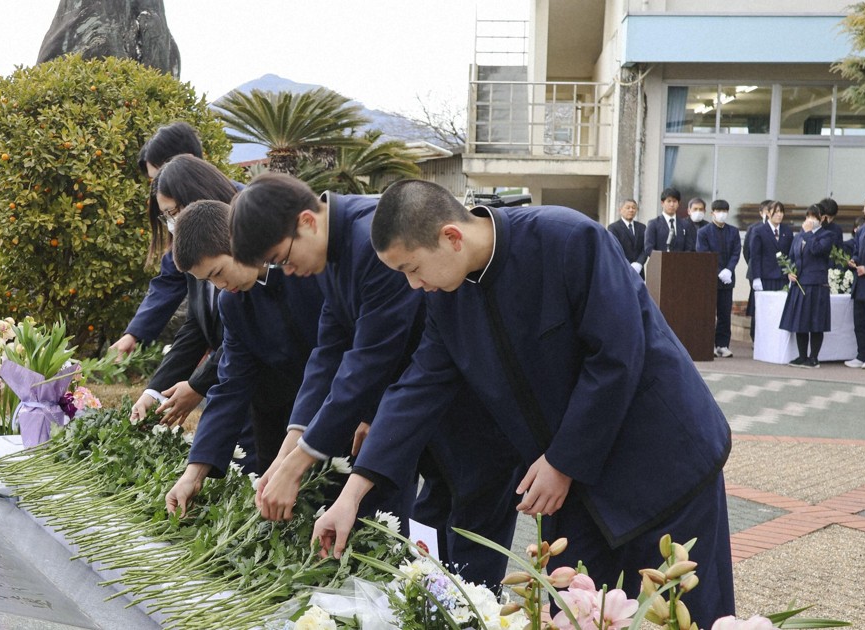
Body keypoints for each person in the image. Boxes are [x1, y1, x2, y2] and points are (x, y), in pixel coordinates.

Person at [313, 179, 735, 629]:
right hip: (572, 487)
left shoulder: (568, 239)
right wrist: (352, 493)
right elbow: (417, 388)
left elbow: (616, 357)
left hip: (664, 465)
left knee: (691, 617)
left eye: (412, 268)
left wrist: (562, 461)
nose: (413, 285)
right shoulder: (448, 299)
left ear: (451, 238)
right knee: (573, 616)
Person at [229, 173, 521, 583]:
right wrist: (289, 449)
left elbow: (370, 360)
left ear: (307, 222)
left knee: (470, 543)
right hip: (419, 415)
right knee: (429, 537)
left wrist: (299, 463)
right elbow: (330, 351)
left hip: (463, 412)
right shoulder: (333, 251)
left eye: (281, 257)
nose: (286, 271)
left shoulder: (371, 240)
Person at [163, 198, 324, 512]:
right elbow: (231, 383)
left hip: (341, 406)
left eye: (218, 272)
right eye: (208, 281)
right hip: (280, 417)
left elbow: (336, 354)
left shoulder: (302, 270)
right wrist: (194, 472)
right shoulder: (232, 303)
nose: (220, 285)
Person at [129, 156, 238, 425]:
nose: (172, 223)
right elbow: (197, 326)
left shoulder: (241, 249)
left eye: (174, 212)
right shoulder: (196, 252)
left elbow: (242, 336)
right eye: (166, 216)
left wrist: (197, 385)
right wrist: (154, 390)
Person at [109, 122, 206, 360]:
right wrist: (134, 333)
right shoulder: (182, 219)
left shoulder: (242, 211)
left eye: (161, 175)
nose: (157, 189)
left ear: (188, 160)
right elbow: (170, 279)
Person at [779, 205, 837, 368]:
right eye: (808, 216)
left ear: (821, 219)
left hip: (817, 283)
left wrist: (809, 233)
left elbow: (818, 250)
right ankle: (802, 355)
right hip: (799, 282)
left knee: (816, 321)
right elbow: (791, 256)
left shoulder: (827, 235)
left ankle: (814, 357)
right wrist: (789, 272)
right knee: (800, 320)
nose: (810, 220)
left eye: (814, 217)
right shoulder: (799, 236)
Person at [697, 200, 741, 358]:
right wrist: (718, 271)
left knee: (724, 313)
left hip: (728, 280)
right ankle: (707, 344)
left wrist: (729, 270)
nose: (722, 214)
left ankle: (722, 344)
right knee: (708, 312)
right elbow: (703, 253)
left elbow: (736, 252)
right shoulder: (704, 232)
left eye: (725, 211)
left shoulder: (734, 231)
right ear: (712, 213)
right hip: (710, 279)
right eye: (719, 211)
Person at [747, 201, 794, 342]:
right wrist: (756, 277)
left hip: (782, 277)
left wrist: (790, 271)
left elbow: (790, 254)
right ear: (768, 213)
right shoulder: (759, 230)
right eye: (776, 211)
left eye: (781, 212)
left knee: (779, 310)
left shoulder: (787, 231)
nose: (779, 215)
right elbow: (754, 255)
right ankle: (758, 340)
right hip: (765, 276)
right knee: (762, 311)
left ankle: (775, 340)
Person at [743, 200, 777, 341]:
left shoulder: (780, 230)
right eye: (766, 211)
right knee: (758, 307)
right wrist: (754, 269)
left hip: (774, 273)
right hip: (758, 272)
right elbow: (747, 251)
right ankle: (755, 337)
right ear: (762, 213)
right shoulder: (754, 228)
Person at [640, 187, 695, 270]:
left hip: (681, 267)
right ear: (662, 203)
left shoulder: (685, 224)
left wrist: (681, 261)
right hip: (660, 267)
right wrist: (664, 260)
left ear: (678, 203)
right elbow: (649, 248)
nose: (672, 204)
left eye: (674, 201)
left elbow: (689, 248)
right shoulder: (653, 224)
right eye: (669, 201)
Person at [845, 195, 865, 369]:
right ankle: (861, 355)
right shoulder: (861, 230)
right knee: (859, 322)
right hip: (859, 284)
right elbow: (856, 250)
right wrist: (853, 261)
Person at [606, 199, 646, 277]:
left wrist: (639, 263)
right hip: (621, 270)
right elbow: (614, 249)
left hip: (639, 272)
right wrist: (628, 266)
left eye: (634, 208)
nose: (631, 210)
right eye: (628, 208)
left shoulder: (642, 227)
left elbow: (645, 248)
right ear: (620, 210)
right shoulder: (613, 228)